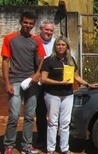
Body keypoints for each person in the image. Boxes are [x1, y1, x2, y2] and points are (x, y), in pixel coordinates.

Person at [41, 35, 98, 154]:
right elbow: (44, 79)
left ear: (67, 47)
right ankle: (51, 149)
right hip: (52, 95)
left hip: (68, 94)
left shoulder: (70, 60)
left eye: (63, 45)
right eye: (58, 44)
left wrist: (88, 84)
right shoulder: (49, 60)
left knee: (65, 122)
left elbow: (76, 76)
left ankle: (64, 149)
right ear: (55, 46)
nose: (60, 47)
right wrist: (59, 83)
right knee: (53, 122)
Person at [1, 11, 46, 154]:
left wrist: (37, 75)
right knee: (14, 115)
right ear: (21, 22)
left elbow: (42, 59)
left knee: (29, 115)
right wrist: (7, 83)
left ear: (34, 25)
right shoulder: (10, 38)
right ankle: (9, 145)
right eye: (26, 22)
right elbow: (6, 61)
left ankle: (27, 146)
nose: (28, 25)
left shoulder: (36, 40)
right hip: (15, 80)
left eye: (31, 24)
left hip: (31, 82)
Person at [35, 19, 56, 149]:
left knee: (54, 113)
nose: (48, 32)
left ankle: (54, 139)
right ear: (41, 29)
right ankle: (42, 138)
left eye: (51, 30)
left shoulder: (57, 43)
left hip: (53, 83)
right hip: (38, 83)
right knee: (40, 111)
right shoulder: (34, 42)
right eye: (46, 29)